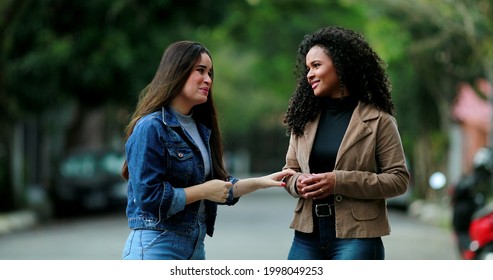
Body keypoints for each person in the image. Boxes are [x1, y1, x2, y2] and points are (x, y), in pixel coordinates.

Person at [120, 40, 294, 260]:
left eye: (210, 73)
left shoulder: (200, 129)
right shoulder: (151, 126)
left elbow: (218, 186)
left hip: (195, 247)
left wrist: (262, 181)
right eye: (200, 71)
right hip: (157, 245)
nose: (208, 79)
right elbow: (149, 197)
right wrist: (203, 190)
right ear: (177, 71)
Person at [281, 26, 410, 260]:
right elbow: (289, 172)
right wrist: (297, 182)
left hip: (357, 236)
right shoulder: (303, 118)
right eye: (307, 68)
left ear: (341, 65)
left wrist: (339, 181)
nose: (309, 74)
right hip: (306, 234)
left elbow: (398, 180)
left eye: (316, 66)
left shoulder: (379, 120)